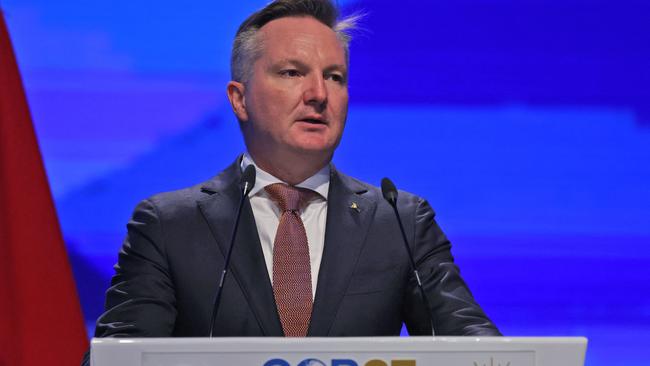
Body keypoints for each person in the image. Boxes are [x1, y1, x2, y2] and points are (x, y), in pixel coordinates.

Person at [83, 0, 500, 363]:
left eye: (335, 76)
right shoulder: (169, 225)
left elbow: (477, 347)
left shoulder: (400, 221)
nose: (319, 93)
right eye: (291, 72)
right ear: (239, 98)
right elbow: (120, 358)